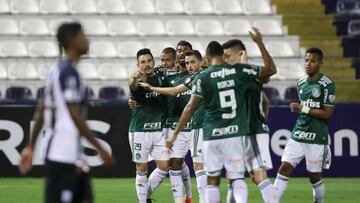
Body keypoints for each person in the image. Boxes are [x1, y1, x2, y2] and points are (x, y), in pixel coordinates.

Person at [167, 29, 276, 203]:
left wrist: (174, 134)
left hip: (211, 134)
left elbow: (189, 107)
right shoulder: (238, 71)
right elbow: (269, 71)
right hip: (234, 133)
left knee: (212, 180)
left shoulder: (203, 76)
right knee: (236, 177)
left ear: (207, 59)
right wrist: (259, 42)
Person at [18, 22, 113, 203]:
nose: (87, 39)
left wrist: (30, 147)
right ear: (72, 41)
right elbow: (74, 114)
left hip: (70, 154)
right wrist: (100, 147)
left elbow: (42, 110)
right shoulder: (68, 72)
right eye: (82, 35)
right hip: (63, 156)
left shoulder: (57, 70)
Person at [140, 50, 207, 203]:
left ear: (201, 61)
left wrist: (152, 88)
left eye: (191, 62)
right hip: (178, 126)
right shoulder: (165, 75)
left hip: (199, 126)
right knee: (175, 165)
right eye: (187, 62)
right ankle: (182, 199)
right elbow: (141, 78)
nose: (188, 65)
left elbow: (176, 91)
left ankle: (202, 199)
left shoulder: (200, 75)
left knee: (200, 166)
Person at [274, 48, 335, 203]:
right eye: (306, 60)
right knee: (284, 168)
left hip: (316, 137)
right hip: (298, 134)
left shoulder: (327, 84)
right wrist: (303, 110)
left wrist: (303, 108)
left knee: (314, 176)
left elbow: (327, 113)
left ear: (320, 62)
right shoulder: (300, 83)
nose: (308, 63)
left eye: (313, 60)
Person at [223, 39, 276, 203]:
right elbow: (266, 101)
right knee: (234, 176)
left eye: (228, 56)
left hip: (251, 130)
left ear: (240, 55)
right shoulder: (243, 74)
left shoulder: (245, 71)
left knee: (258, 175)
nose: (225, 59)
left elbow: (270, 71)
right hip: (239, 132)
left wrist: (259, 42)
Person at [128, 48, 170, 203]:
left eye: (149, 60)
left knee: (165, 166)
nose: (147, 64)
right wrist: (133, 77)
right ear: (138, 65)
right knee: (142, 168)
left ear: (154, 61)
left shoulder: (160, 77)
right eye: (143, 62)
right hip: (139, 131)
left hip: (157, 130)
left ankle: (145, 196)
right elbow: (131, 85)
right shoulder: (137, 80)